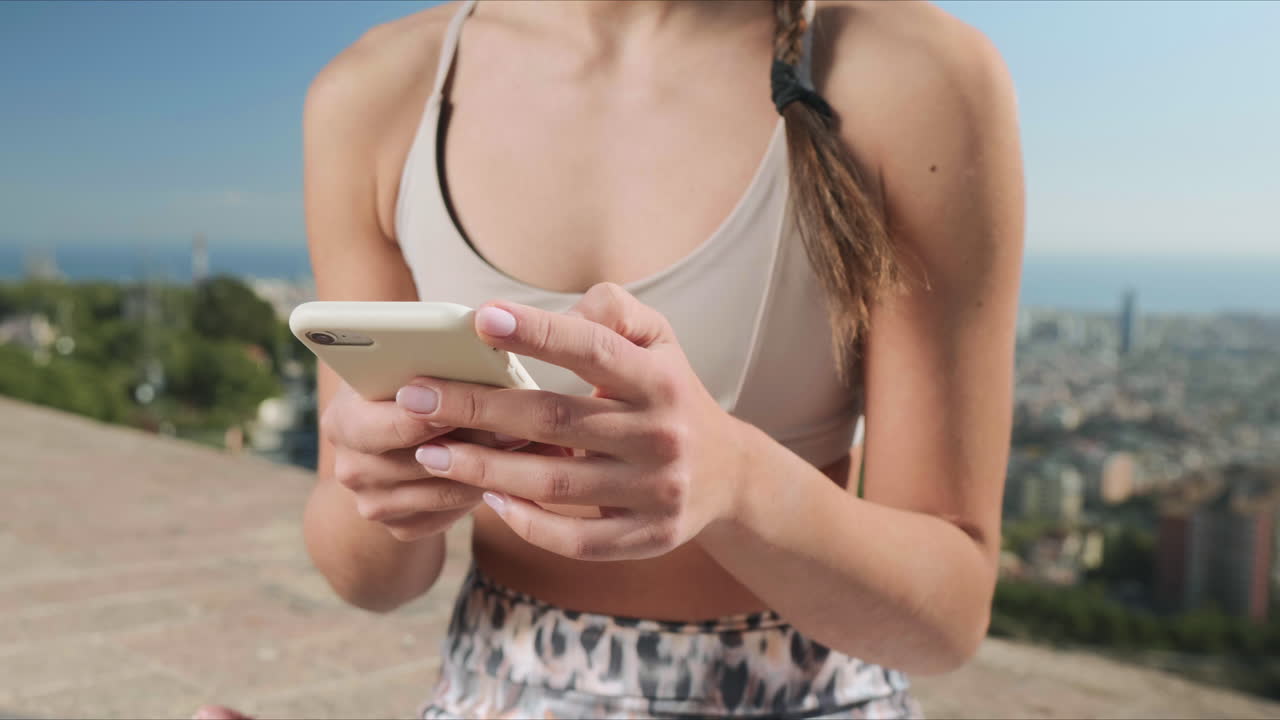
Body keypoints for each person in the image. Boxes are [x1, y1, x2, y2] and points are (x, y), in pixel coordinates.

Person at [196, 0, 1023, 717]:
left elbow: (947, 618)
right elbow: (369, 578)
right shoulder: (374, 94)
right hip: (496, 692)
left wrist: (736, 483)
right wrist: (387, 490)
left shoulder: (918, 78)